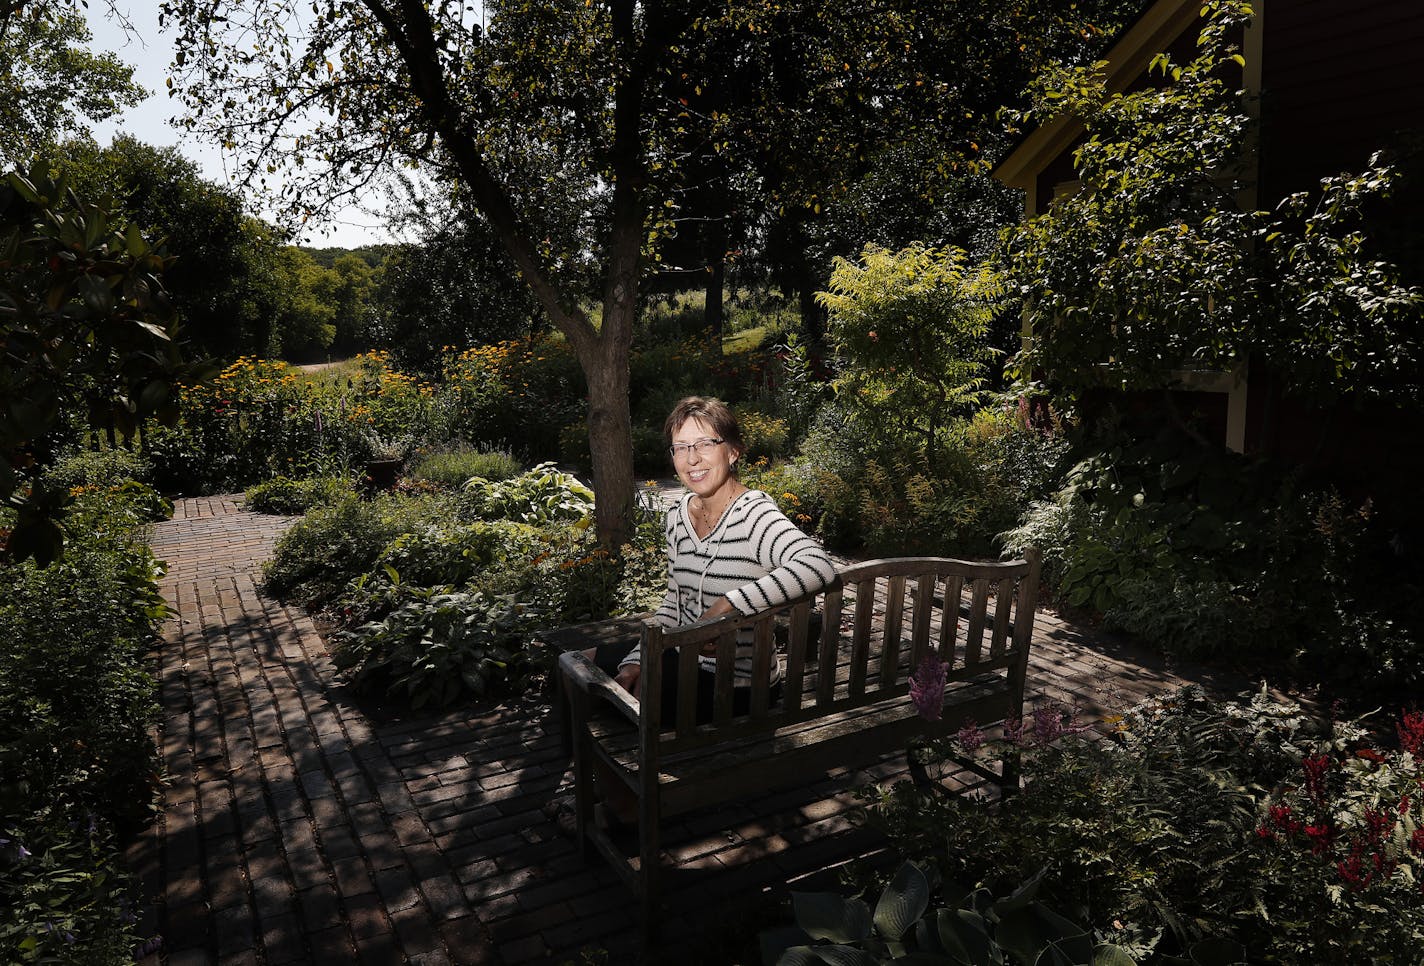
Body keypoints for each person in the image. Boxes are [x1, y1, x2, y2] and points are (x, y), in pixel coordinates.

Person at [587, 395, 839, 723]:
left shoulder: (754, 514)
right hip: (683, 658)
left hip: (739, 687)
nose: (692, 459)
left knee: (604, 699)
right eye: (681, 447)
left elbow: (817, 565)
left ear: (733, 451)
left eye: (705, 443)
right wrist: (638, 659)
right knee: (580, 662)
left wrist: (725, 607)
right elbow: (674, 605)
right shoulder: (677, 517)